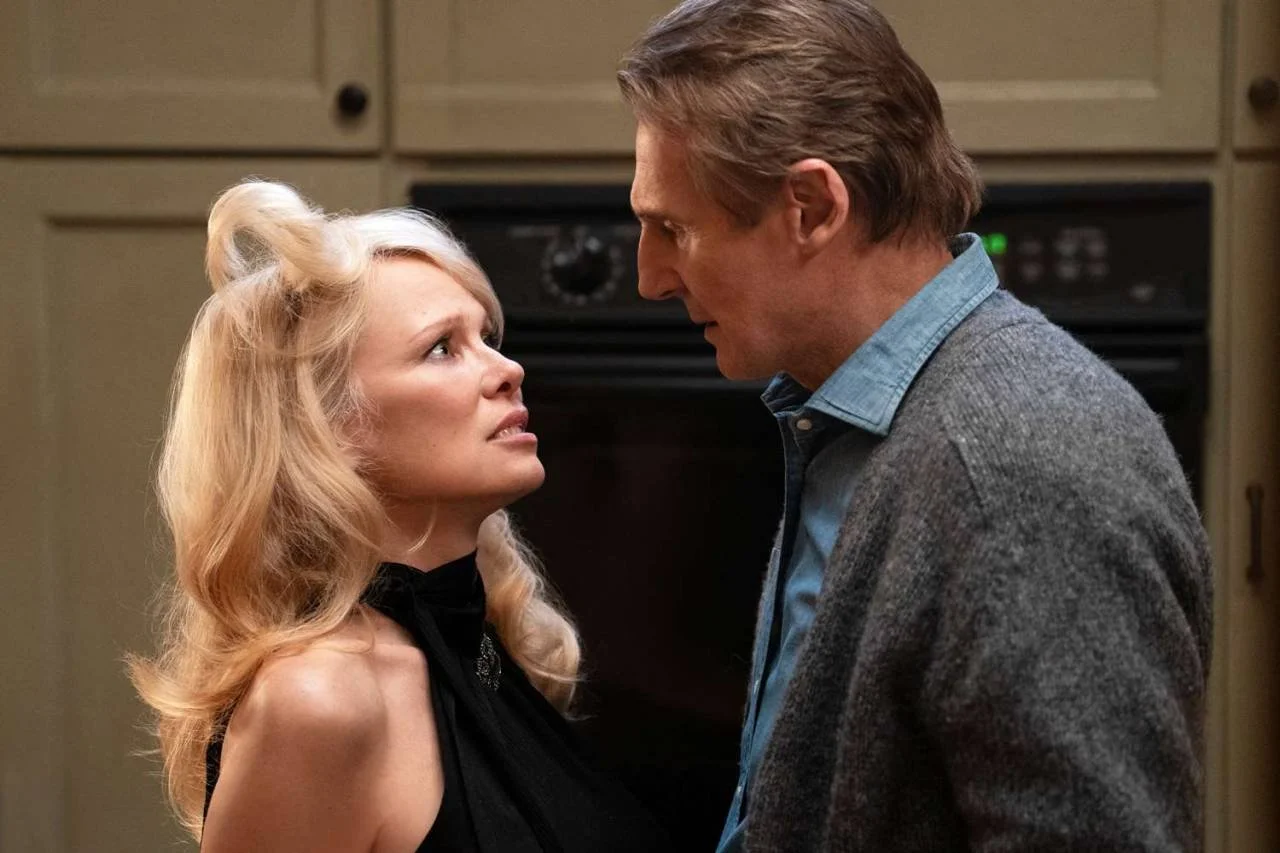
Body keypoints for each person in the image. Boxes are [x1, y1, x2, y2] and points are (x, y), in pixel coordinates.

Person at [618, 2, 1213, 851]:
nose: (650, 277)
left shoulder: (1016, 468)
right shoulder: (852, 416)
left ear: (812, 206)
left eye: (673, 229)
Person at [128, 180, 669, 852]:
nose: (508, 369)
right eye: (442, 347)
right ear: (329, 425)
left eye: (486, 336)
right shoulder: (318, 700)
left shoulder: (484, 647)